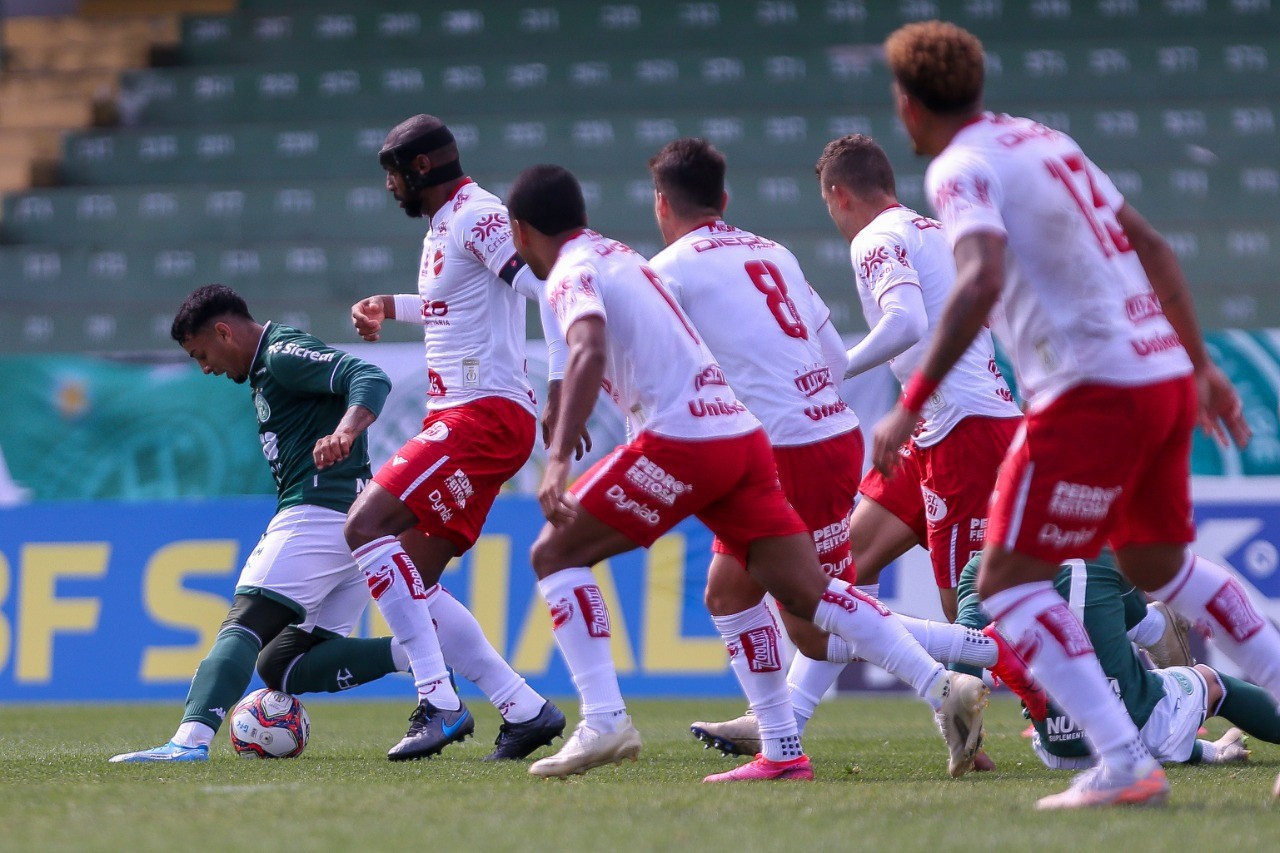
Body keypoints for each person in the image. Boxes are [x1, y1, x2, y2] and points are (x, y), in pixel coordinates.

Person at [872, 21, 1271, 809]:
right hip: (1156, 373)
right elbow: (1153, 248)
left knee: (1006, 582)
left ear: (909, 106)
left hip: (1089, 386)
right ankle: (1132, 750)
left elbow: (980, 278)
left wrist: (908, 403)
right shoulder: (1046, 143)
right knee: (1165, 568)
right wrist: (1201, 367)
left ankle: (1124, 759)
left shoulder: (959, 169)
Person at [505, 163, 988, 782]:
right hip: (754, 435)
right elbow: (833, 357)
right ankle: (804, 742)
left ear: (520, 232)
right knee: (769, 595)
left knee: (554, 555)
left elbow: (589, 345)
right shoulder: (641, 256)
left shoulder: (635, 266)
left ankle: (604, 718)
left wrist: (559, 458)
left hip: (709, 438)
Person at [643, 137, 993, 779]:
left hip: (917, 430)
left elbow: (904, 323)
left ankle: (972, 672)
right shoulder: (778, 249)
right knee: (809, 592)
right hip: (864, 432)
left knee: (826, 609)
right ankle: (783, 733)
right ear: (724, 199)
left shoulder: (670, 267)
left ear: (660, 203)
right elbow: (828, 351)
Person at [346, 114, 565, 762]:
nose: (389, 188)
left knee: (364, 528)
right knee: (412, 577)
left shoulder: (480, 215)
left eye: (392, 174)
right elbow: (456, 302)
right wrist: (392, 303)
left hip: (482, 414)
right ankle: (525, 708)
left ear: (419, 169)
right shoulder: (447, 224)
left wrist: (560, 390)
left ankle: (438, 702)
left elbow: (550, 293)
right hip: (468, 415)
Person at [111, 284, 405, 762]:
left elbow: (368, 374)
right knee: (284, 664)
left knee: (245, 622)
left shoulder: (282, 352)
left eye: (201, 353)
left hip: (317, 512)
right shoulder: (267, 369)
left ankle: (189, 741)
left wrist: (344, 432)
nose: (205, 368)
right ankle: (419, 655)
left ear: (224, 332)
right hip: (349, 523)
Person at [955, 551, 1269, 771]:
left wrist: (965, 744)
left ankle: (1213, 751)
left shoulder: (982, 566)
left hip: (1058, 746)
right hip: (1133, 723)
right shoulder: (1109, 552)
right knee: (1211, 681)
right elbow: (1134, 616)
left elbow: (964, 644)